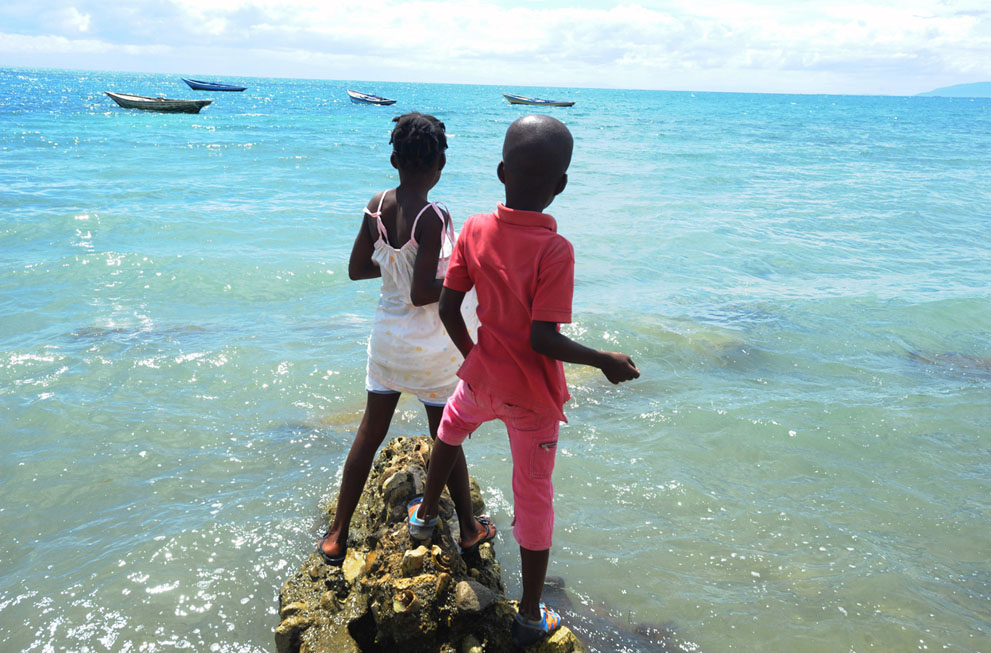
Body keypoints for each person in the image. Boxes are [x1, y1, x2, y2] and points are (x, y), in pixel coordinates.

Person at [406, 114, 640, 649]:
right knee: (534, 496)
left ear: (501, 171)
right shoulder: (555, 251)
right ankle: (531, 616)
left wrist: (476, 358)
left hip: (483, 377)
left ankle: (423, 517)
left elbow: (448, 307)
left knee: (450, 432)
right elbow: (542, 339)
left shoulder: (473, 228)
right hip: (531, 398)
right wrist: (602, 358)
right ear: (560, 185)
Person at [317, 112, 496, 565]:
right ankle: (471, 530)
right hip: (429, 349)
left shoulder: (376, 205)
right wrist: (464, 281)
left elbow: (358, 268)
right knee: (446, 435)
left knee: (369, 433)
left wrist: (396, 265)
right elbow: (423, 294)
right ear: (440, 164)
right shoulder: (434, 215)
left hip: (386, 342)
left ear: (394, 158)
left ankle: (337, 535)